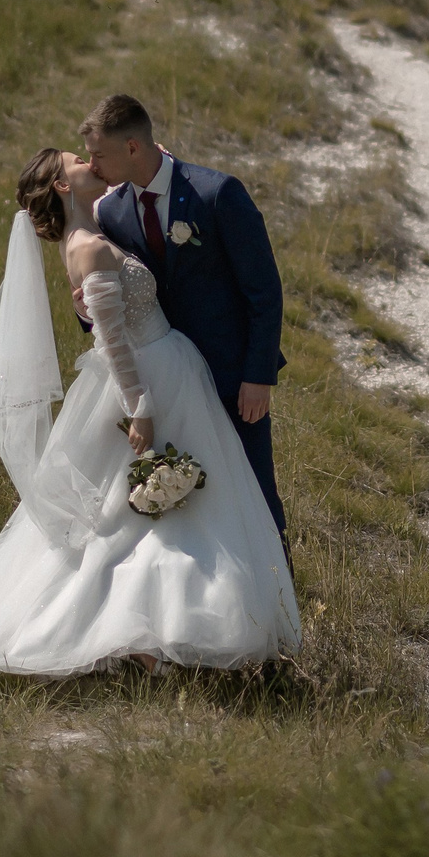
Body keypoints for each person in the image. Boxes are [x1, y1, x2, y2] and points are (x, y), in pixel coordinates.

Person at [0, 148, 300, 681]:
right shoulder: (90, 249)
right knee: (134, 513)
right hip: (147, 382)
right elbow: (112, 341)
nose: (89, 163)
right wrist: (140, 407)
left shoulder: (97, 226)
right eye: (77, 159)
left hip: (170, 374)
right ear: (59, 185)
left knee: (163, 506)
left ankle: (166, 633)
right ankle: (145, 634)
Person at [81, 93, 291, 540]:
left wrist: (259, 375)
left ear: (133, 147)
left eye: (99, 154)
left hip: (231, 378)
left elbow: (263, 290)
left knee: (255, 492)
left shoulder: (217, 193)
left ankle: (278, 597)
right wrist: (85, 310)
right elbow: (114, 299)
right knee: (192, 503)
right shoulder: (112, 212)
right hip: (167, 385)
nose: (92, 164)